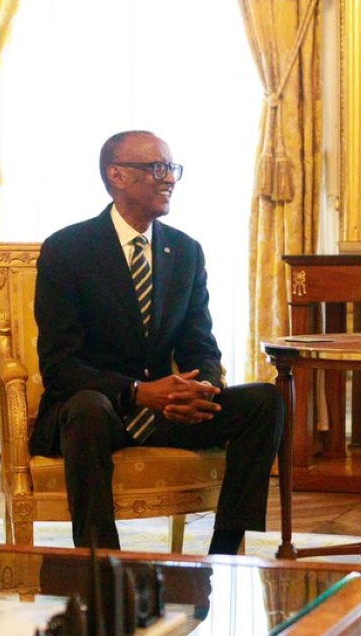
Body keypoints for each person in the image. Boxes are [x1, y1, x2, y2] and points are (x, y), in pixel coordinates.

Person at [29, 129, 283, 556]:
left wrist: (198, 388)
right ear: (117, 176)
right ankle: (101, 561)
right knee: (87, 408)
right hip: (99, 412)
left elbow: (201, 345)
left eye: (172, 168)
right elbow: (60, 366)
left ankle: (224, 553)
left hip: (168, 410)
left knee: (266, 402)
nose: (169, 179)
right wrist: (138, 392)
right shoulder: (67, 250)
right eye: (157, 168)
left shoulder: (186, 251)